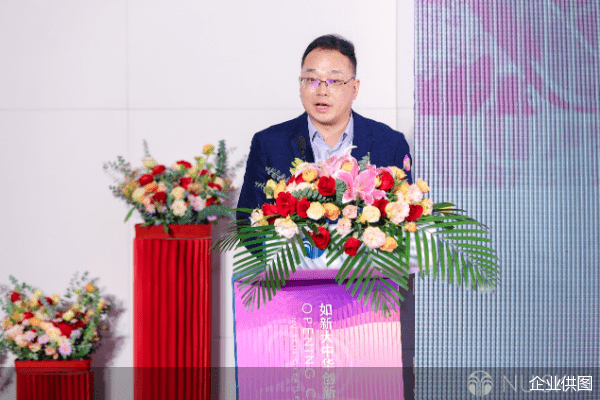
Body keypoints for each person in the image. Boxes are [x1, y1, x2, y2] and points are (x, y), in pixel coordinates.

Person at [236, 34, 415, 400]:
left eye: (334, 80)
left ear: (354, 88)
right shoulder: (270, 143)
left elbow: (405, 219)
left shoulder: (388, 143)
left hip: (364, 301)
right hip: (291, 303)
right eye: (311, 79)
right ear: (300, 84)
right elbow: (246, 222)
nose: (321, 89)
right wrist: (287, 261)